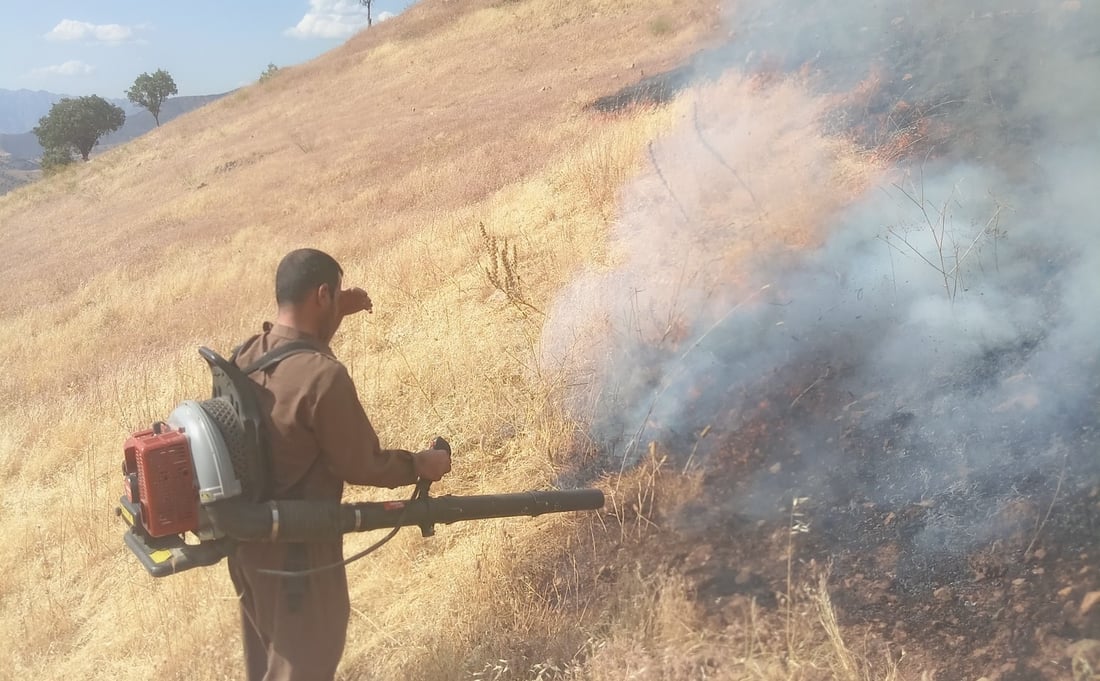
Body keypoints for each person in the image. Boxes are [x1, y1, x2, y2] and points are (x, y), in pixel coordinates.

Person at [227, 248, 451, 681]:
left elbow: (291, 363)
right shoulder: (323, 377)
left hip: (250, 547)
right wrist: (420, 464)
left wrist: (334, 314)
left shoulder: (247, 355)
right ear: (323, 294)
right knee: (304, 668)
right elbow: (363, 464)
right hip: (299, 560)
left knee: (269, 666)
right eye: (335, 295)